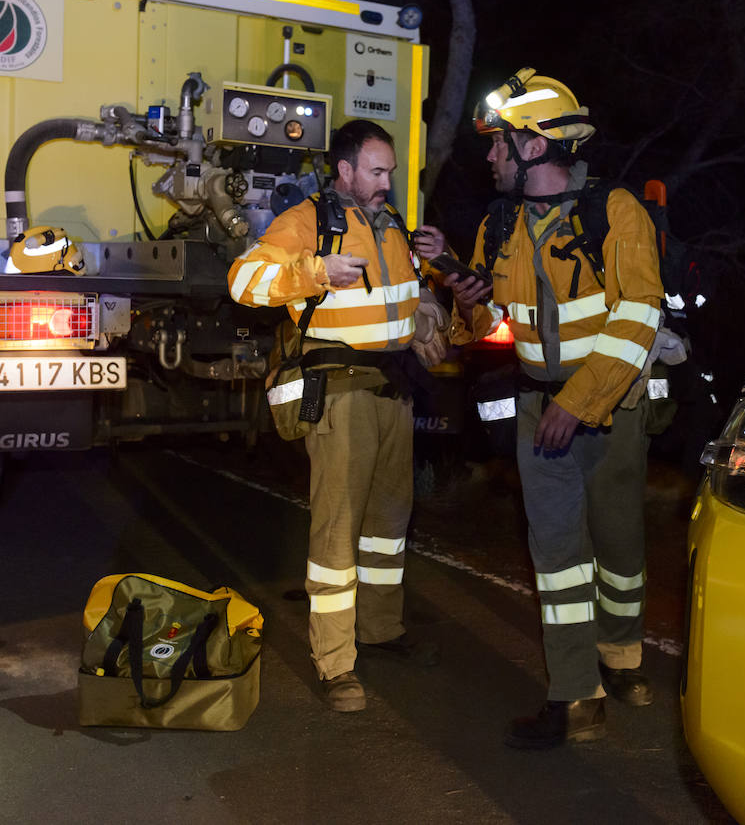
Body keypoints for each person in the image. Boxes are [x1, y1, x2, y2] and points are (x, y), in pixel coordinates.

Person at [443, 68, 664, 749]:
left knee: (619, 545)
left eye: (500, 145)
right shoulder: (499, 221)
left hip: (611, 407)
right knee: (559, 556)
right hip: (541, 412)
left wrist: (581, 399)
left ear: (535, 147)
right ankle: (576, 697)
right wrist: (464, 294)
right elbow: (482, 328)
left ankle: (622, 656)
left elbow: (638, 315)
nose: (490, 158)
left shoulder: (615, 211)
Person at [227, 119, 448, 713]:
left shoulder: (392, 226)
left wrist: (430, 298)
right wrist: (316, 272)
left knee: (386, 525)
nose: (386, 182)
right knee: (337, 534)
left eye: (391, 172)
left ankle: (380, 630)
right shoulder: (308, 222)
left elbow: (406, 298)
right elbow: (244, 281)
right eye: (376, 172)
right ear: (345, 170)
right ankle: (335, 665)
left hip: (394, 395)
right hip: (340, 396)